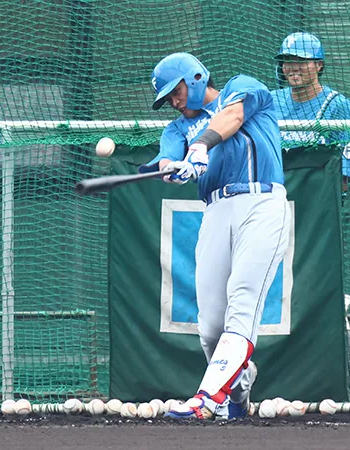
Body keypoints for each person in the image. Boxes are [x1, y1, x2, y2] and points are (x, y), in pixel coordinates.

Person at [140, 53, 290, 420]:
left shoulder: (242, 87)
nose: (174, 102)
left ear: (194, 77)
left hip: (261, 203)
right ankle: (239, 388)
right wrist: (173, 169)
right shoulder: (176, 129)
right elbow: (167, 158)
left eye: (175, 92)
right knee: (209, 328)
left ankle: (207, 399)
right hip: (215, 211)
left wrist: (201, 146)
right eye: (167, 99)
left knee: (242, 301)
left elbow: (232, 117)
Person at [272, 32, 350, 194]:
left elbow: (345, 171)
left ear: (319, 65)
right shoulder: (271, 101)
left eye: (301, 60)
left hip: (315, 196)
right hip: (274, 193)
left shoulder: (339, 106)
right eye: (287, 60)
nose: (293, 67)